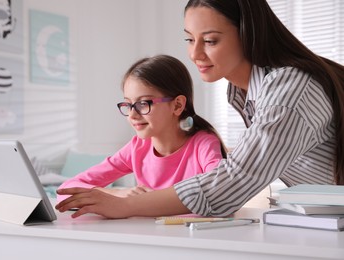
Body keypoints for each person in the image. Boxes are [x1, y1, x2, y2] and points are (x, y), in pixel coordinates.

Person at [55, 0, 344, 219]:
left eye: (210, 41)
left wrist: (127, 205)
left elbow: (234, 180)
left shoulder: (287, 91)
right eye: (190, 40)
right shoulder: (247, 93)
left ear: (248, 34)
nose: (194, 54)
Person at [57, 54, 226, 201]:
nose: (132, 114)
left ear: (177, 105)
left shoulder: (203, 145)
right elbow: (66, 190)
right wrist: (117, 193)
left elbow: (220, 191)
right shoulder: (136, 148)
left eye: (143, 103)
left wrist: (149, 201)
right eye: (128, 104)